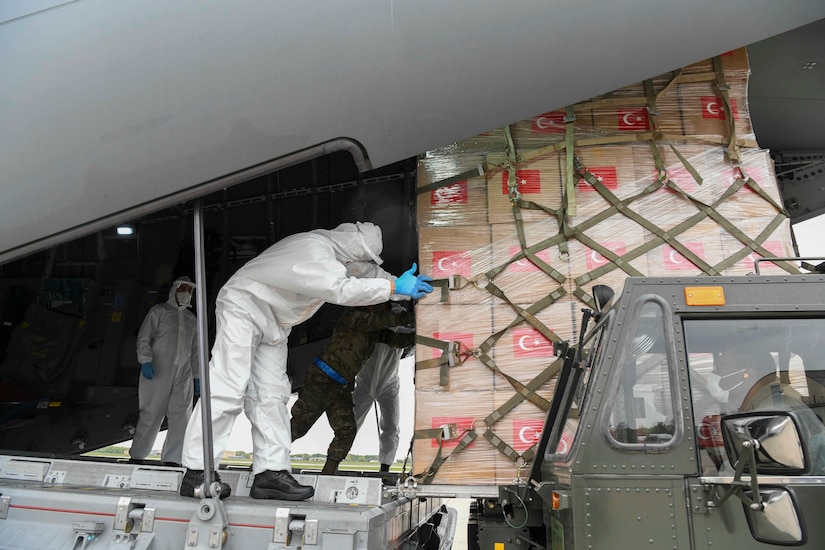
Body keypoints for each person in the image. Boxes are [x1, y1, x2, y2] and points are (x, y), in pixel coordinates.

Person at [179, 222, 433, 500]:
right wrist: (394, 286)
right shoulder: (314, 249)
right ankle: (197, 471)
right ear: (352, 246)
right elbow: (341, 289)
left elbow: (368, 273)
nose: (358, 263)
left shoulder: (341, 256)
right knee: (228, 385)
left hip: (275, 322)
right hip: (244, 305)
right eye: (360, 257)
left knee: (272, 395)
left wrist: (404, 287)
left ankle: (270, 474)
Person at [291, 302, 414, 475]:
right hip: (322, 380)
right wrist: (418, 316)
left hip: (341, 385)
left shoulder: (375, 330)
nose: (386, 309)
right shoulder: (356, 316)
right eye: (383, 306)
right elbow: (389, 319)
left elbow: (399, 340)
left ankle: (327, 475)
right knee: (298, 426)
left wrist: (426, 333)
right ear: (372, 307)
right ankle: (267, 462)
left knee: (346, 430)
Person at [131, 277, 200, 466]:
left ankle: (173, 460)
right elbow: (144, 338)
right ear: (175, 290)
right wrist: (145, 360)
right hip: (158, 369)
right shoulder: (159, 311)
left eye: (189, 289)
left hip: (183, 374)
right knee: (151, 413)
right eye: (183, 288)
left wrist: (197, 376)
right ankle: (137, 456)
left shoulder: (191, 319)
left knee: (181, 417)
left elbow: (196, 350)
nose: (186, 292)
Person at [353, 341, 409, 473]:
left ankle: (385, 468)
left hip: (389, 385)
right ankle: (335, 459)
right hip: (365, 383)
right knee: (350, 425)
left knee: (391, 427)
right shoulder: (376, 328)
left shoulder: (403, 334)